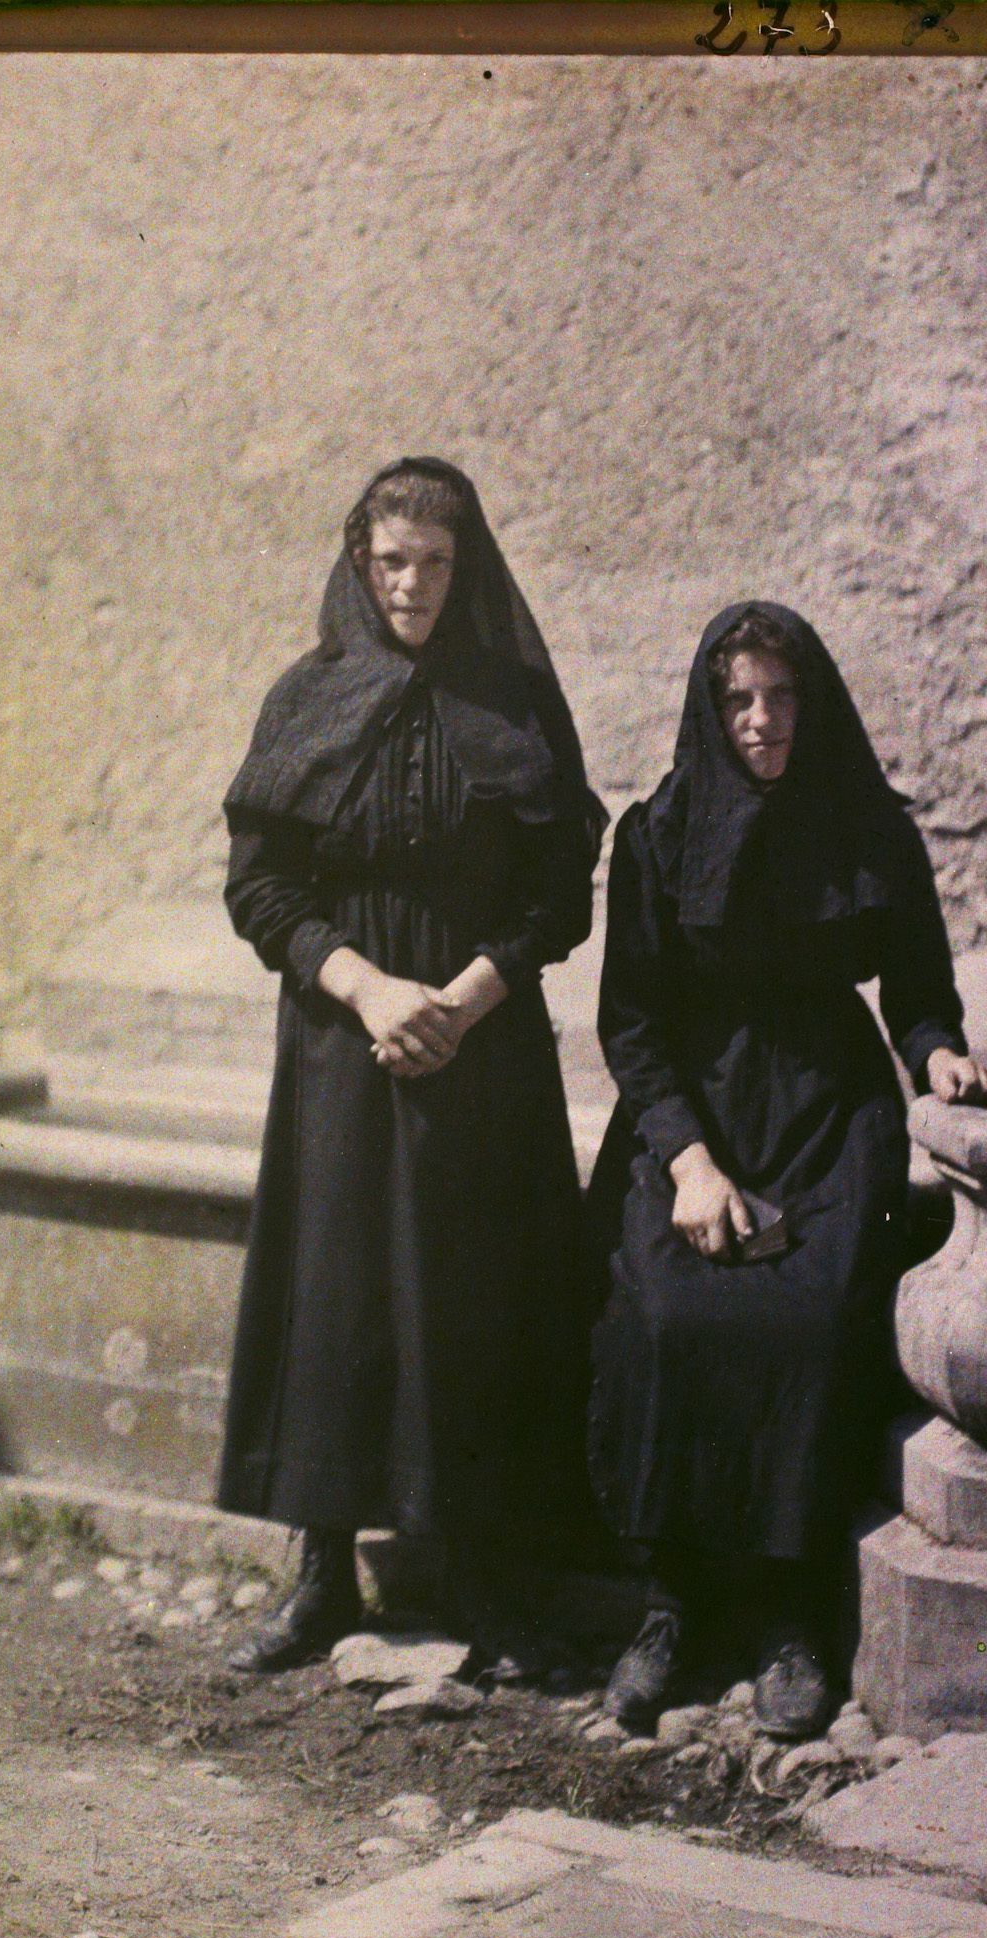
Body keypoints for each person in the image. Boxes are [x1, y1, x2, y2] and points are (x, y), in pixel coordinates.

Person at [219, 457, 606, 1675]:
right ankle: (324, 1572)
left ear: (466, 565)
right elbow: (260, 885)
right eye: (390, 560)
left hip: (480, 1041)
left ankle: (489, 1578)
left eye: (434, 563)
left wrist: (467, 994)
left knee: (479, 1299)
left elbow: (559, 893)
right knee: (334, 1295)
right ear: (358, 561)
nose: (411, 584)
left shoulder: (516, 705)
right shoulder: (306, 698)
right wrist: (368, 985)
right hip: (348, 1037)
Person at [586, 601, 987, 1738]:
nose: (762, 721)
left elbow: (915, 987)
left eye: (780, 696)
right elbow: (630, 1024)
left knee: (809, 1324)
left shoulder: (870, 828)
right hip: (692, 1116)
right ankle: (667, 1603)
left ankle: (787, 1615)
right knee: (666, 1312)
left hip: (827, 1112)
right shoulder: (655, 836)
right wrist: (690, 1164)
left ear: (811, 703)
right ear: (708, 712)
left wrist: (937, 1053)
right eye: (739, 701)